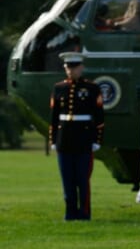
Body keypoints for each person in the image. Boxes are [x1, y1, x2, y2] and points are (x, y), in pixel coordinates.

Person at [49, 52, 105, 221]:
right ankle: (70, 213)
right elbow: (54, 116)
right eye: (68, 67)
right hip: (64, 138)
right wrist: (53, 139)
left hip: (84, 138)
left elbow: (99, 117)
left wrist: (97, 140)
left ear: (81, 67)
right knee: (67, 179)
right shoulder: (59, 88)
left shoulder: (92, 88)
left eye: (74, 67)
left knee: (82, 178)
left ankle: (84, 213)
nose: (71, 71)